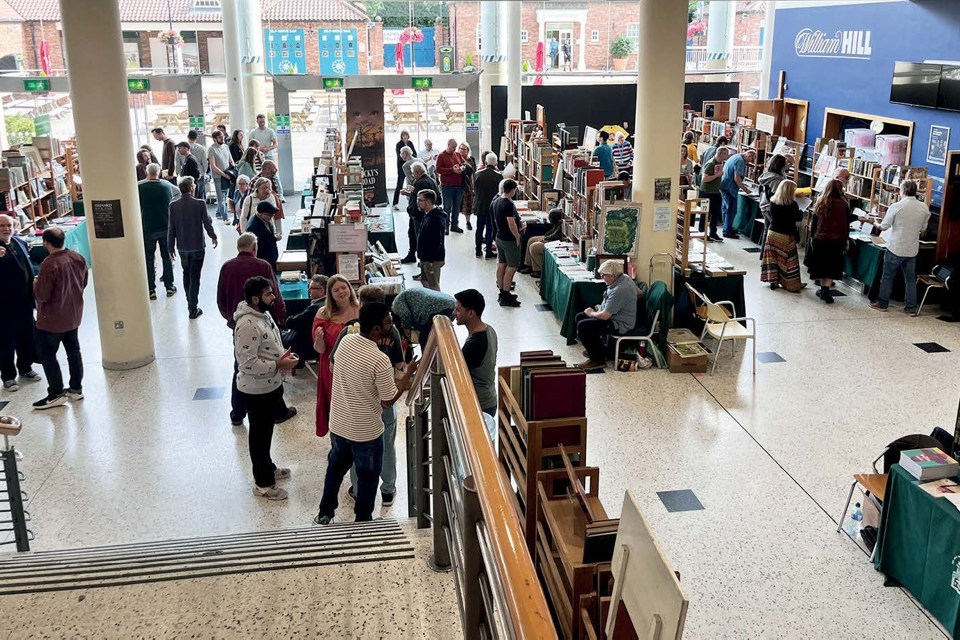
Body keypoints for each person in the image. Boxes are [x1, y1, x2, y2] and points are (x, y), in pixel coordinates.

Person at [313, 302, 418, 525]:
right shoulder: (379, 359)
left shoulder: (346, 341)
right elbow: (388, 400)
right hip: (366, 433)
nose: (392, 324)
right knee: (368, 478)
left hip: (339, 424)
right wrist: (408, 375)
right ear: (376, 329)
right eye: (388, 321)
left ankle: (325, 513)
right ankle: (363, 521)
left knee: (335, 470)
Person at [329, 285, 406, 507]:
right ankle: (388, 490)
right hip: (384, 402)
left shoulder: (347, 334)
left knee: (356, 449)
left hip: (355, 405)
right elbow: (399, 365)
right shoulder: (392, 332)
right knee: (387, 447)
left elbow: (334, 366)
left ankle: (357, 488)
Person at [234, 276, 299, 501]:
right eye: (268, 294)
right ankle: (262, 484)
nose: (273, 297)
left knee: (267, 431)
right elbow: (247, 363)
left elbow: (268, 344)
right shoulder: (247, 325)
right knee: (259, 437)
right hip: (256, 390)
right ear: (254, 299)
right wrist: (278, 364)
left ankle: (268, 468)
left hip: (271, 385)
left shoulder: (263, 314)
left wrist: (281, 356)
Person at [217, 232, 291, 427]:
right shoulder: (262, 266)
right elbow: (274, 294)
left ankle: (237, 413)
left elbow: (221, 299)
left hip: (238, 323)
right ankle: (278, 411)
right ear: (254, 248)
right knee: (267, 361)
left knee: (239, 364)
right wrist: (280, 316)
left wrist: (231, 320)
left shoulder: (226, 267)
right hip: (262, 323)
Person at [32, 227, 88, 410]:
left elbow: (42, 295)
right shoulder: (77, 257)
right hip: (73, 315)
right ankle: (76, 388)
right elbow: (84, 282)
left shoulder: (49, 264)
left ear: (46, 243)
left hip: (52, 319)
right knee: (73, 351)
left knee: (48, 355)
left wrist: (35, 284)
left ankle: (55, 393)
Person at [871, 179, 931, 315]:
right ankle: (911, 308)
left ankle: (882, 303)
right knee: (910, 279)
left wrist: (875, 223)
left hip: (895, 248)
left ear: (902, 191)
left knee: (887, 276)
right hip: (911, 249)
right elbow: (923, 229)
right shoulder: (924, 207)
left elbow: (884, 226)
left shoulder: (896, 206)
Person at [313, 275, 360, 437]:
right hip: (333, 368)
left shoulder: (360, 308)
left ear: (349, 288)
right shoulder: (323, 314)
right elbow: (319, 350)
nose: (341, 292)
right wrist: (319, 339)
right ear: (330, 294)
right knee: (337, 406)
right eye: (336, 290)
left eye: (344, 287)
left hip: (358, 366)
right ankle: (339, 441)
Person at [168, 176, 218, 319]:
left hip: (182, 247)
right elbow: (207, 224)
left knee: (186, 273)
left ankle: (189, 302)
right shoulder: (200, 203)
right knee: (195, 276)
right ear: (191, 188)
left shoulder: (173, 205)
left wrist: (170, 247)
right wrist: (213, 236)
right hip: (197, 246)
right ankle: (193, 307)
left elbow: (171, 228)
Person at [0, 213, 39, 392]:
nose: (7, 229)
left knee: (27, 336)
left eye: (9, 225)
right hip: (4, 306)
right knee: (6, 341)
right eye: (2, 226)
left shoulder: (19, 242)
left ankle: (25, 367)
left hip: (24, 301)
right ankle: (8, 376)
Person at [575, 260, 638, 370]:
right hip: (615, 316)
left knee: (584, 326)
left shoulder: (620, 290)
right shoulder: (624, 278)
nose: (602, 277)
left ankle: (597, 360)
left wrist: (591, 313)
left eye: (604, 275)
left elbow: (605, 316)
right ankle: (598, 351)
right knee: (580, 317)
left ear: (612, 276)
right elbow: (640, 293)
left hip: (620, 323)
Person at [453, 289, 498, 418]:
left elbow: (458, 374)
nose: (454, 313)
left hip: (480, 405)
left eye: (458, 310)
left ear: (471, 313)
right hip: (489, 398)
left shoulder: (474, 344)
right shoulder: (489, 329)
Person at [809, 177, 854, 304]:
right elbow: (846, 223)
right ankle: (826, 290)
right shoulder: (844, 203)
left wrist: (812, 237)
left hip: (821, 238)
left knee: (822, 265)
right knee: (832, 266)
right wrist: (846, 240)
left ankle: (823, 289)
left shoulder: (821, 201)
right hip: (837, 239)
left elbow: (815, 223)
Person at [138, 163, 178, 299]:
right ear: (159, 172)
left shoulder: (140, 187)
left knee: (149, 258)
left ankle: (151, 289)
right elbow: (177, 193)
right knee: (167, 256)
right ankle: (169, 286)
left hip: (148, 227)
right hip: (165, 226)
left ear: (147, 173)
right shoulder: (167, 186)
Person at [760, 180, 806, 292]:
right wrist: (800, 209)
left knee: (772, 258)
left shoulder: (773, 201)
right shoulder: (792, 205)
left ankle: (773, 280)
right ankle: (791, 283)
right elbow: (798, 218)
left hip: (772, 233)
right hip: (786, 235)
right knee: (789, 260)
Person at [391, 287, 455, 350]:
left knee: (425, 339)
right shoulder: (403, 296)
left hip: (437, 307)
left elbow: (405, 314)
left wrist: (406, 328)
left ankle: (427, 359)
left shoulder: (396, 304)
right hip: (449, 304)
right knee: (437, 337)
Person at [402, 162, 440, 267]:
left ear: (418, 172)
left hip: (419, 215)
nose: (412, 175)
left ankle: (422, 260)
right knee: (417, 235)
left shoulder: (420, 183)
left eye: (413, 173)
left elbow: (418, 199)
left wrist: (407, 194)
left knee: (419, 237)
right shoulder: (432, 180)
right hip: (427, 213)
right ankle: (415, 256)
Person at [284, 274, 327, 363]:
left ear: (321, 290)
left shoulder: (315, 308)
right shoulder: (328, 304)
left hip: (307, 346)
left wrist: (289, 318)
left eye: (311, 288)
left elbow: (291, 323)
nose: (308, 290)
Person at [494, 179, 523, 307]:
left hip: (499, 236)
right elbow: (511, 223)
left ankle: (502, 291)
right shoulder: (508, 204)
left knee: (502, 264)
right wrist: (517, 236)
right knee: (512, 267)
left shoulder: (496, 201)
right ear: (512, 190)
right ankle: (506, 294)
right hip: (508, 239)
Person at [720, 148, 756, 239]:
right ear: (749, 155)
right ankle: (727, 231)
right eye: (752, 159)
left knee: (726, 208)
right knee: (731, 209)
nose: (751, 162)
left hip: (724, 185)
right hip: (730, 187)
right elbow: (737, 179)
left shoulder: (736, 156)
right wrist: (747, 191)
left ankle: (726, 228)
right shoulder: (740, 161)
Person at [416, 189, 448, 291]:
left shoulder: (435, 219)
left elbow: (435, 242)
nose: (418, 202)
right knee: (425, 282)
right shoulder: (428, 214)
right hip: (426, 258)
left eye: (420, 200)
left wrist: (430, 260)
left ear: (428, 202)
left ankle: (438, 305)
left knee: (433, 285)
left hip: (432, 260)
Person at [521, 207, 564, 278]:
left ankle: (538, 270)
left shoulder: (561, 224)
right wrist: (545, 237)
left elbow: (555, 235)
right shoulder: (557, 223)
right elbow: (551, 232)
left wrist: (545, 238)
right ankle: (529, 264)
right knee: (531, 240)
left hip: (554, 241)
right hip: (549, 238)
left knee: (534, 247)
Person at [758, 154, 789, 250]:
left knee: (767, 231)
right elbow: (776, 196)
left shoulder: (767, 174)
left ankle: (764, 254)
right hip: (771, 207)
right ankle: (770, 254)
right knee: (774, 231)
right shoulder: (777, 179)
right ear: (781, 165)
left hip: (764, 204)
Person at [473, 153, 502, 259]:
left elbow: (475, 190)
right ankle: (489, 251)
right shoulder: (499, 176)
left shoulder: (477, 174)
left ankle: (478, 250)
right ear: (496, 164)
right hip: (492, 206)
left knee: (479, 228)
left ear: (485, 162)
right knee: (490, 229)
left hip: (480, 204)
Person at [436, 138, 466, 233]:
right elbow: (439, 170)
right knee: (447, 207)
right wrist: (452, 170)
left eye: (455, 147)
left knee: (457, 207)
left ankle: (454, 225)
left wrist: (461, 168)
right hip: (447, 186)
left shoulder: (457, 155)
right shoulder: (441, 156)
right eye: (453, 147)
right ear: (448, 145)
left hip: (458, 185)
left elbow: (464, 164)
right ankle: (446, 226)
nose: (454, 149)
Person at [698, 146, 728, 242]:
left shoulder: (720, 163)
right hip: (707, 192)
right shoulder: (711, 164)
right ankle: (702, 233)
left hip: (715, 192)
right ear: (721, 154)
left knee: (715, 213)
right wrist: (716, 176)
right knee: (705, 213)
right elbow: (704, 179)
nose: (727, 156)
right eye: (726, 154)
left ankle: (713, 233)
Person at [208, 129, 235, 222]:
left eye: (223, 136)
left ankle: (218, 213)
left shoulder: (226, 147)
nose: (222, 138)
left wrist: (233, 170)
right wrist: (223, 175)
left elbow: (231, 160)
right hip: (218, 176)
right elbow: (213, 166)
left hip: (227, 174)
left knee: (225, 196)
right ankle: (225, 217)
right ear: (215, 139)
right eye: (219, 137)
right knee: (221, 198)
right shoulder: (211, 149)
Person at [247, 201, 281, 271]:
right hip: (263, 260)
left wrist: (274, 238)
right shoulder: (253, 227)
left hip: (271, 257)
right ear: (260, 213)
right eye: (269, 215)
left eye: (272, 215)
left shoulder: (265, 219)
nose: (271, 217)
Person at [176, 130, 208, 202]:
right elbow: (205, 163)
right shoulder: (201, 148)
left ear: (188, 137)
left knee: (187, 196)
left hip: (186, 177)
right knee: (200, 195)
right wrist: (203, 172)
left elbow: (177, 164)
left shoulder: (180, 149)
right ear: (196, 138)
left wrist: (181, 175)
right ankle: (201, 210)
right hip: (200, 175)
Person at [393, 130, 416, 208]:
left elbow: (414, 153)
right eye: (403, 135)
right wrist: (406, 158)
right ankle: (395, 203)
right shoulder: (398, 144)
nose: (405, 137)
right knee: (399, 184)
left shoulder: (410, 143)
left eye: (406, 135)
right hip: (401, 167)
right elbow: (399, 156)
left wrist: (411, 159)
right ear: (401, 136)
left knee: (411, 183)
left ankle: (411, 201)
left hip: (411, 167)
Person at [458, 141, 476, 231]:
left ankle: (468, 222)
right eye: (460, 148)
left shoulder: (471, 159)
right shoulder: (456, 158)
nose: (462, 151)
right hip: (457, 184)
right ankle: (454, 222)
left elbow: (474, 172)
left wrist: (473, 187)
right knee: (457, 204)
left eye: (464, 149)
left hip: (468, 185)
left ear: (468, 150)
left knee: (468, 204)